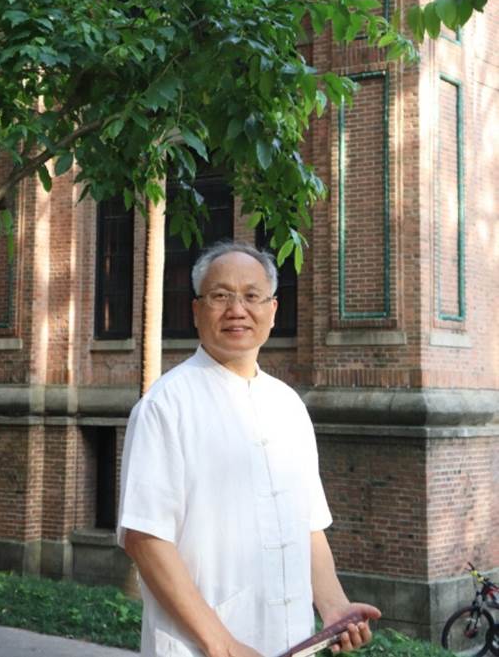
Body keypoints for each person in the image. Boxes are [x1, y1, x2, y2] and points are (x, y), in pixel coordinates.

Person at [118, 241, 380, 657]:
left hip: (292, 644)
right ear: (196, 310)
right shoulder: (166, 406)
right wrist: (223, 645)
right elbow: (145, 539)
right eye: (220, 296)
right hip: (199, 648)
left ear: (272, 311)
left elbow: (308, 524)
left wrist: (333, 606)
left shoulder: (288, 405)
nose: (237, 310)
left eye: (252, 296)